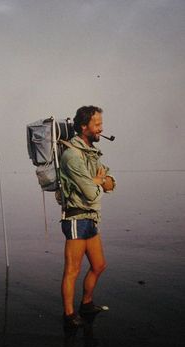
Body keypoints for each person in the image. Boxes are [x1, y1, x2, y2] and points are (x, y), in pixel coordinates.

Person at [60, 105, 116, 328]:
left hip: (91, 217)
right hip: (76, 218)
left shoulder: (91, 151)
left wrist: (101, 181)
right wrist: (99, 182)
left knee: (99, 265)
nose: (101, 129)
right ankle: (69, 315)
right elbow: (92, 193)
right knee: (72, 270)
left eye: (101, 124)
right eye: (97, 124)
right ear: (84, 126)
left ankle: (86, 303)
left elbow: (110, 182)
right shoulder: (72, 156)